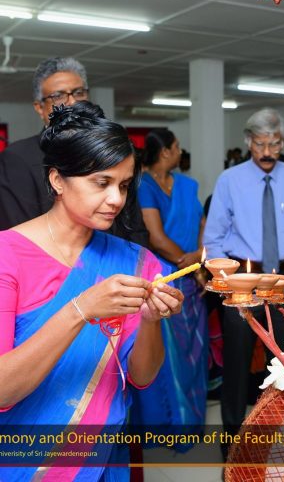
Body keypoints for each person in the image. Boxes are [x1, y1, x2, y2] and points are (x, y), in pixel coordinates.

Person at [0, 102, 184, 481]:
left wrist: (150, 320)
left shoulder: (136, 262)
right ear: (57, 180)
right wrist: (80, 309)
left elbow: (142, 377)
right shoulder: (8, 256)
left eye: (124, 185)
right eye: (101, 183)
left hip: (102, 459)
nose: (116, 199)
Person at [203, 108, 284, 456]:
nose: (267, 152)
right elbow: (214, 237)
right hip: (243, 280)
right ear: (248, 142)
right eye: (260, 144)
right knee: (236, 362)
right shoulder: (230, 180)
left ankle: (283, 439)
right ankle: (233, 445)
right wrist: (229, 279)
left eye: (274, 144)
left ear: (283, 142)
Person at [0, 56, 149, 247]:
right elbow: (19, 236)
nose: (71, 102)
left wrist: (137, 262)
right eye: (58, 96)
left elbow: (135, 228)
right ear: (39, 107)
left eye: (78, 93)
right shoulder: (18, 157)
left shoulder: (113, 151)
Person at [135, 128, 208, 428]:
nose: (180, 152)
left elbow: (202, 223)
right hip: (163, 279)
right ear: (165, 151)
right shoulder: (144, 186)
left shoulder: (187, 185)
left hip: (193, 277)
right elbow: (156, 237)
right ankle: (171, 423)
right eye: (177, 147)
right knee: (167, 352)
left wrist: (199, 260)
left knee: (194, 349)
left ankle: (192, 419)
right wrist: (189, 263)